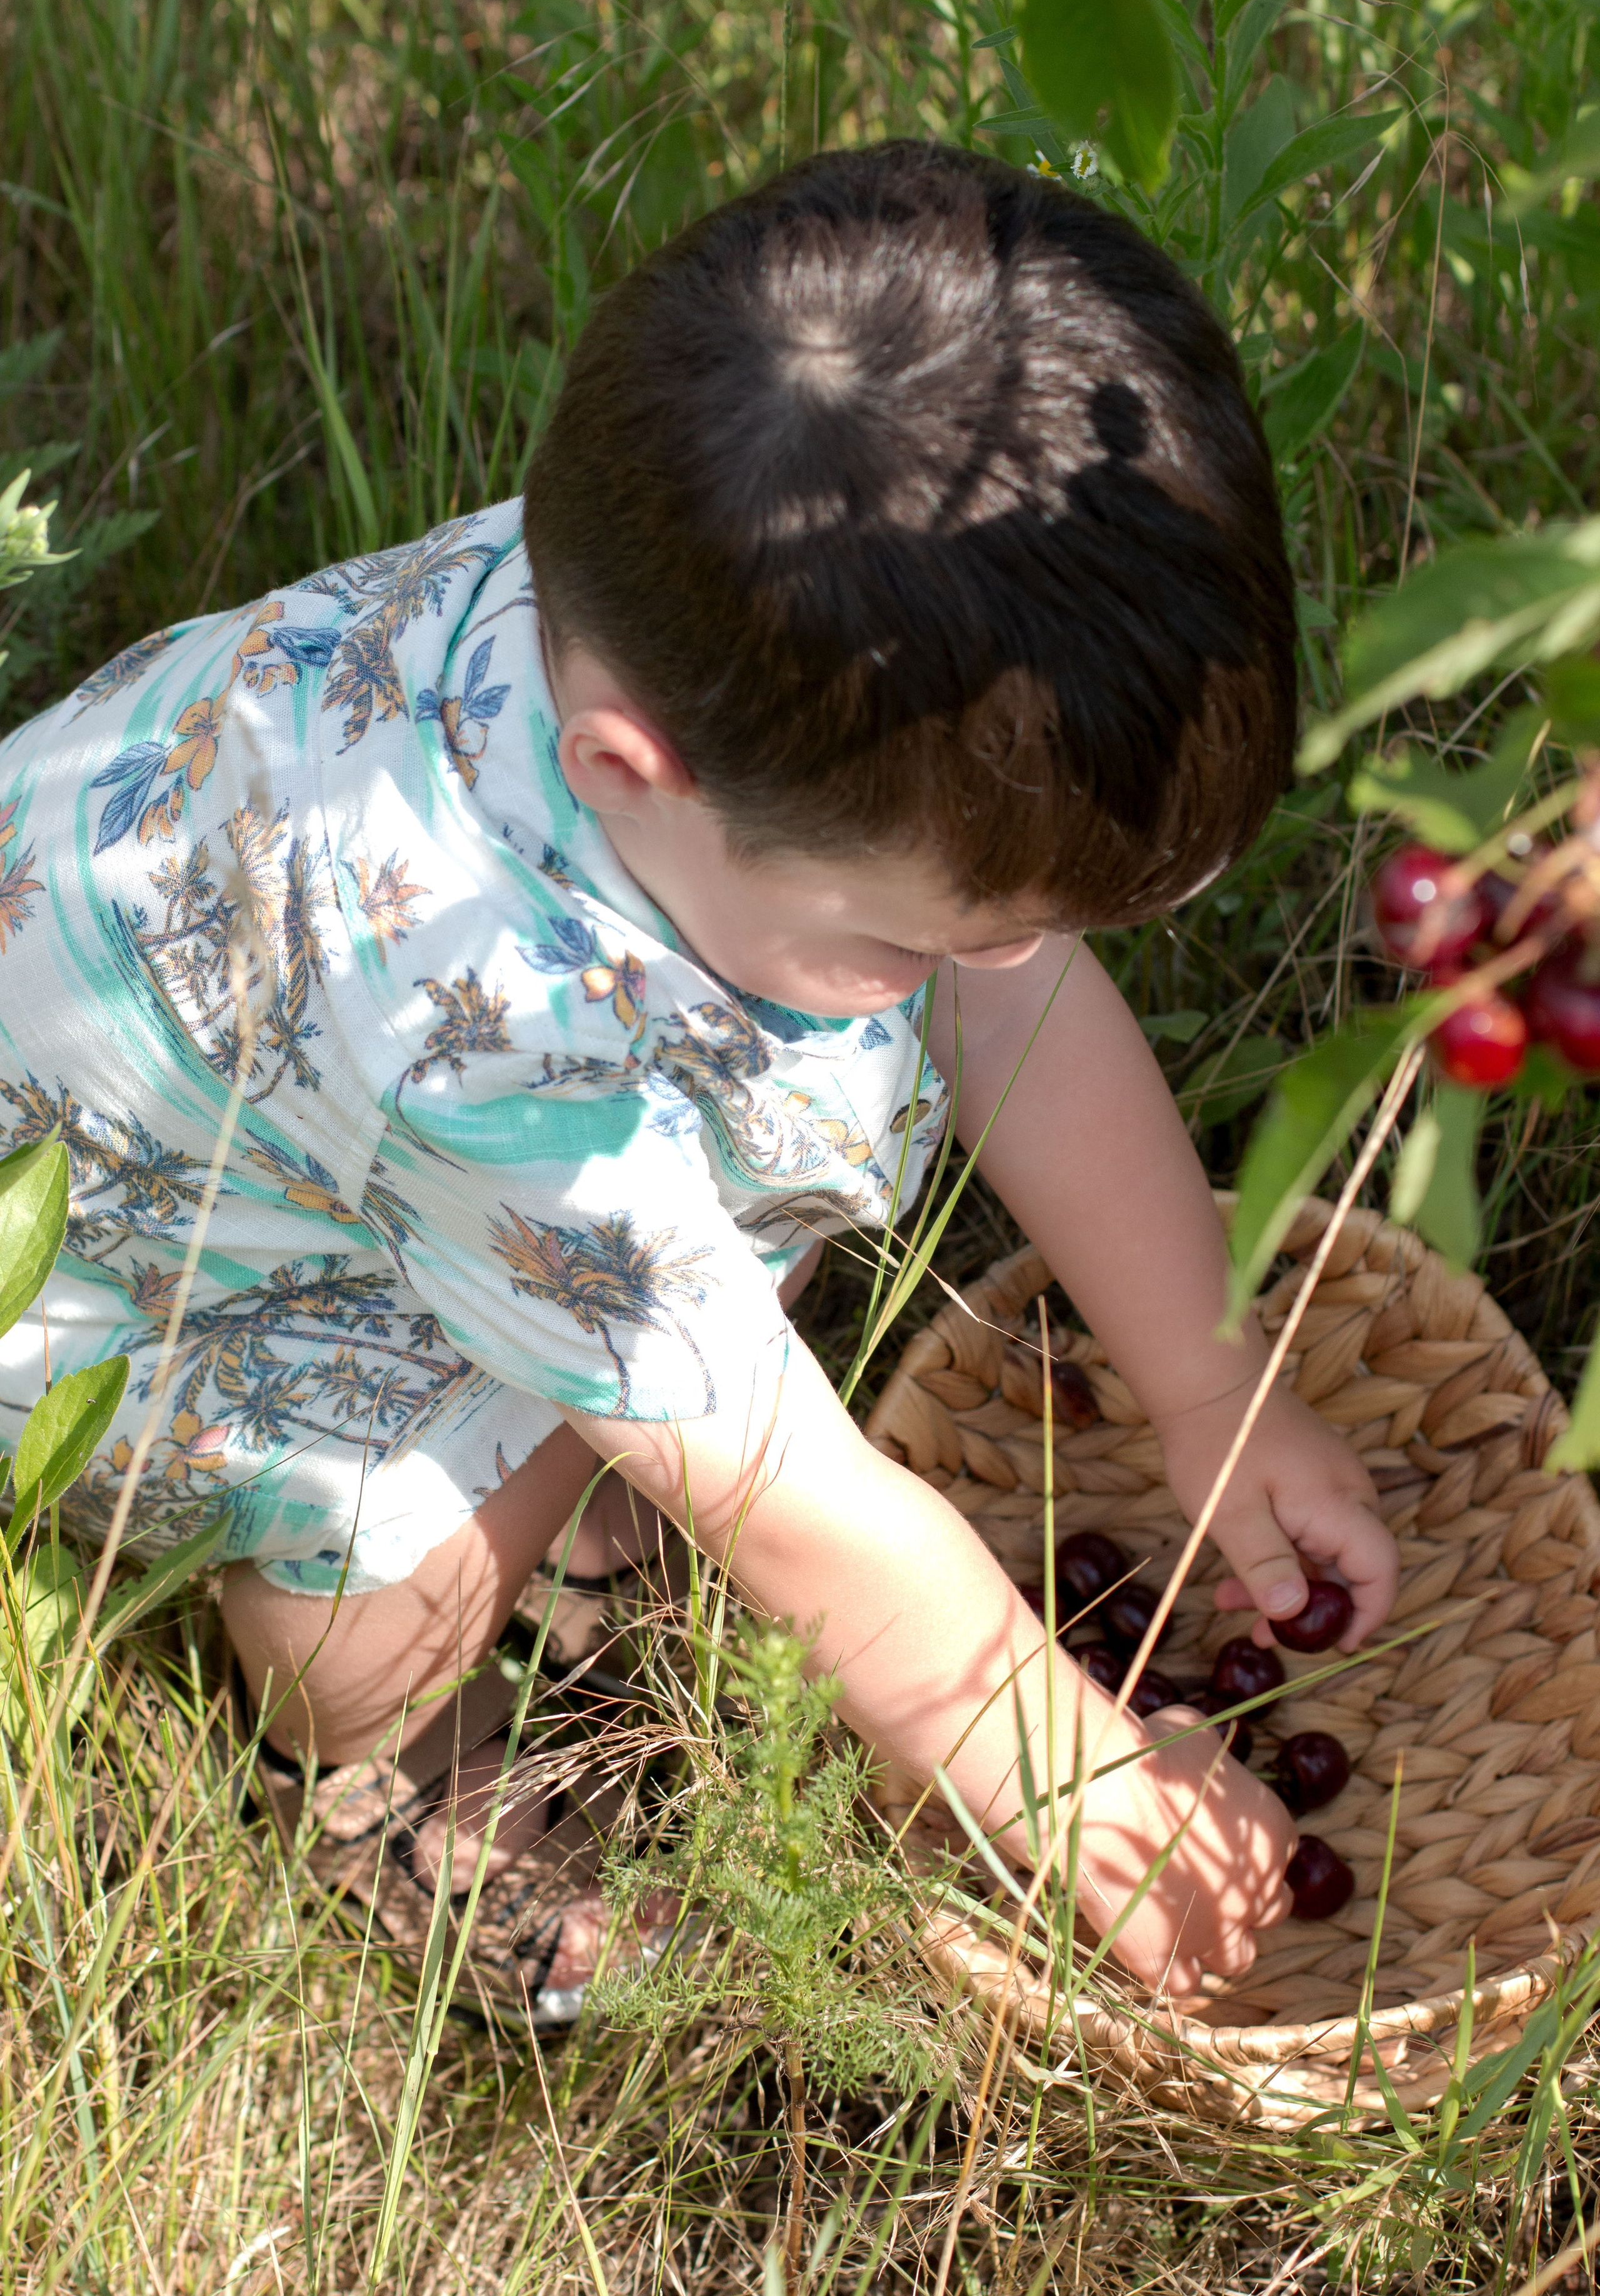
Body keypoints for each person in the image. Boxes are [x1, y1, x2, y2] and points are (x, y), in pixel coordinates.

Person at [0, 140, 1397, 2020]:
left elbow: (1019, 996)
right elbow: (791, 1499)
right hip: (150, 1275)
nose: (980, 972)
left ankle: (576, 1467)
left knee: (685, 1278)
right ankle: (388, 1773)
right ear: (631, 768)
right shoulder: (476, 1025)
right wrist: (1070, 1783)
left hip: (399, 1156)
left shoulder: (739, 621)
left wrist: (1208, 1385)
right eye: (922, 942)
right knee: (395, 1586)